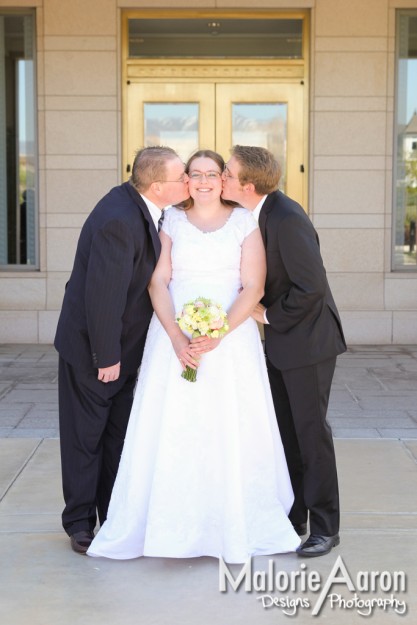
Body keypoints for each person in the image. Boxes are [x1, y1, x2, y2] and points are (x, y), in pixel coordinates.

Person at [87, 149, 300, 563]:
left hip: (230, 339)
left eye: (213, 174)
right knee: (174, 423)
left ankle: (232, 522)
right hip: (173, 334)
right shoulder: (172, 221)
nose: (203, 181)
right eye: (196, 173)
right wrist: (176, 336)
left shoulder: (244, 222)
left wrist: (216, 334)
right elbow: (158, 280)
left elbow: (253, 287)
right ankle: (169, 524)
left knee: (229, 423)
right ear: (186, 179)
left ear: (224, 179)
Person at [54, 146, 189, 555]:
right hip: (94, 351)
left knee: (116, 437)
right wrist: (107, 357)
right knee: (86, 438)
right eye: (182, 177)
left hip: (124, 349)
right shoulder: (119, 219)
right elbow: (104, 297)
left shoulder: (144, 207)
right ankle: (79, 524)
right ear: (156, 185)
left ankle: (113, 516)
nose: (187, 183)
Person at [221, 145, 347, 558]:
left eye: (228, 172)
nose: (222, 176)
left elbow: (310, 288)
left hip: (308, 344)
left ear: (248, 185)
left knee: (311, 435)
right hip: (281, 346)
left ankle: (326, 528)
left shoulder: (288, 218)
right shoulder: (257, 214)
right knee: (287, 434)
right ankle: (296, 516)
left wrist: (267, 315)